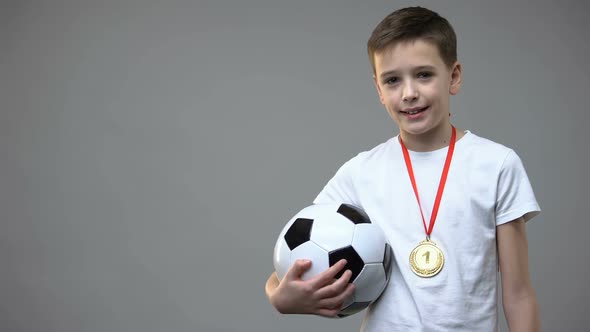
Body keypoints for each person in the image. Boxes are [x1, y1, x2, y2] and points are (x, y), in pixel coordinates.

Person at [264, 6, 541, 331]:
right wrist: (279, 297)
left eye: (424, 75)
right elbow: (294, 257)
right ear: (379, 90)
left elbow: (519, 294)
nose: (409, 93)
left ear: (453, 76)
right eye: (393, 80)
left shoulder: (497, 165)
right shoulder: (360, 173)